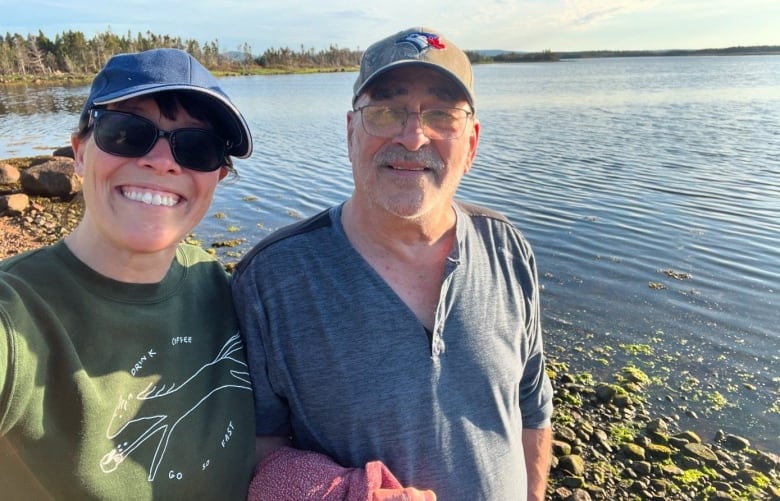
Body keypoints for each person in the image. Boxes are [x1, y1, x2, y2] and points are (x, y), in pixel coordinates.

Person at [233, 27, 554, 500]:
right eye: (385, 111)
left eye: (442, 115)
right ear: (350, 131)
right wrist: (346, 493)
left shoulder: (508, 249)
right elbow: (258, 450)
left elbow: (532, 408)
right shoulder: (272, 279)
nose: (413, 136)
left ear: (472, 143)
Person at [0, 48, 256, 499]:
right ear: (79, 154)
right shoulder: (15, 316)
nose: (162, 161)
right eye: (127, 132)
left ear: (218, 174)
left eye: (198, 146)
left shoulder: (218, 283)